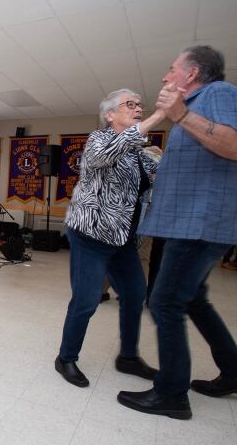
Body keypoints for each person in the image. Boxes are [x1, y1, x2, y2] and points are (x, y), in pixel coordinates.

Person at [118, 45, 237, 420]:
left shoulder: (220, 94)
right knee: (193, 299)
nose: (166, 76)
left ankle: (171, 394)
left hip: (199, 222)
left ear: (194, 73)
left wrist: (180, 114)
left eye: (172, 70)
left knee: (165, 302)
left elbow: (236, 147)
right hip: (190, 220)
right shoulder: (195, 108)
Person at [54, 88, 166, 388]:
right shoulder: (98, 140)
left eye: (140, 105)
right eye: (129, 104)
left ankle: (128, 357)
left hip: (123, 240)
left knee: (134, 294)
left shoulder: (140, 155)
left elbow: (166, 177)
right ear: (110, 115)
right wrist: (158, 116)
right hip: (90, 236)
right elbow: (106, 154)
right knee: (87, 299)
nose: (138, 108)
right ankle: (66, 358)